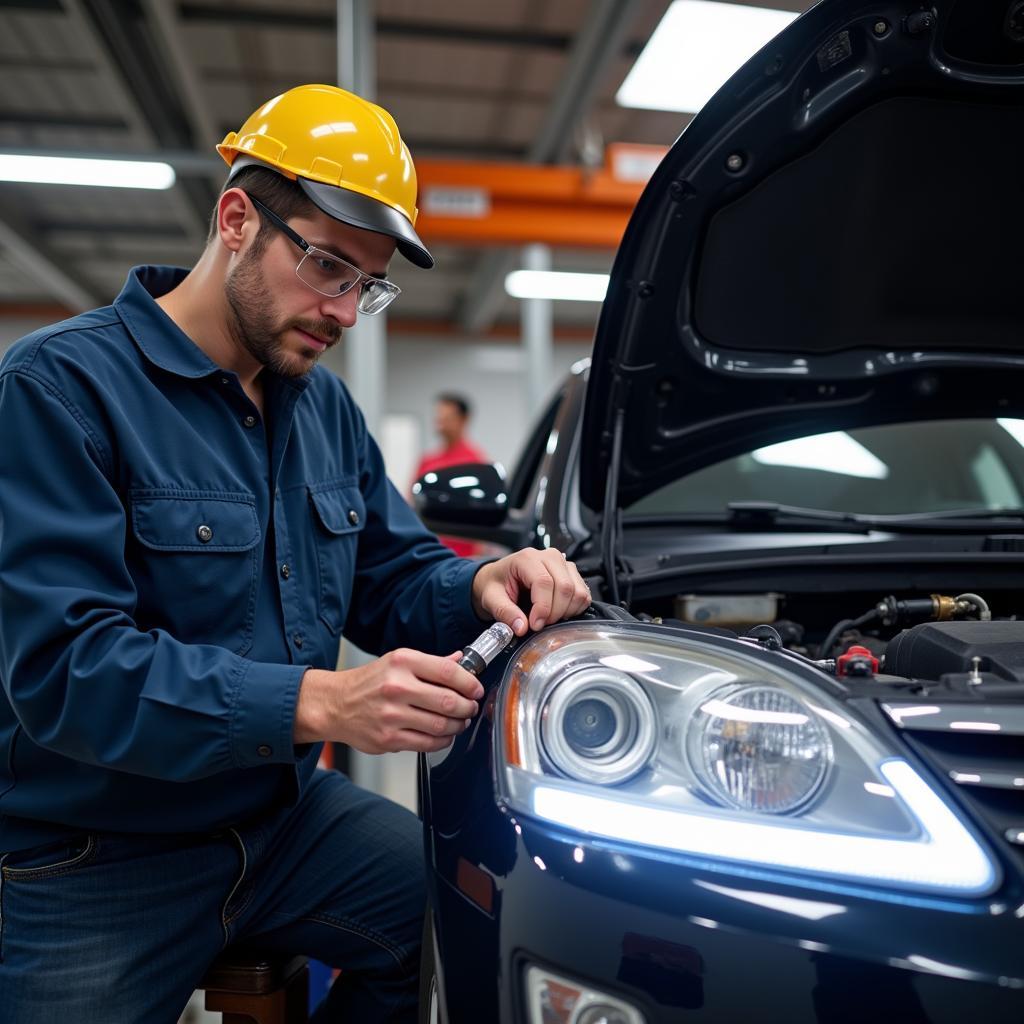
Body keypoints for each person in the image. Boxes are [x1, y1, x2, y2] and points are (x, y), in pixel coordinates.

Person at [0, 84, 590, 1024]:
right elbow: (67, 672)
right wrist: (323, 701)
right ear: (237, 218)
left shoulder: (321, 409)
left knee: (472, 916)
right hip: (94, 850)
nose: (346, 311)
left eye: (367, 284)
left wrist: (482, 580)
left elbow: (392, 577)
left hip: (279, 827)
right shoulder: (58, 390)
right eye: (327, 266)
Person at [412, 393, 488, 556]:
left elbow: (482, 511)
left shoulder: (474, 461)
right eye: (439, 417)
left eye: (448, 417)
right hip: (429, 548)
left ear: (464, 419)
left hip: (463, 553)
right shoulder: (428, 461)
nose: (441, 422)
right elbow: (412, 500)